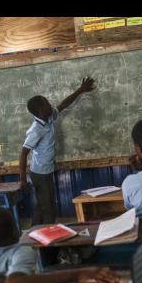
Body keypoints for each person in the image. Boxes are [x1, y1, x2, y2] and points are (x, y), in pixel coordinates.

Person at [19, 77, 95, 225]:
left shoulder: (48, 117)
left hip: (46, 170)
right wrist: (22, 180)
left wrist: (80, 90)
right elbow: (23, 154)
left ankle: (36, 234)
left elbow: (63, 105)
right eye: (47, 104)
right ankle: (49, 238)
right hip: (40, 173)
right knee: (48, 207)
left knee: (43, 205)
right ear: (40, 111)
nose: (51, 106)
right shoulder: (36, 130)